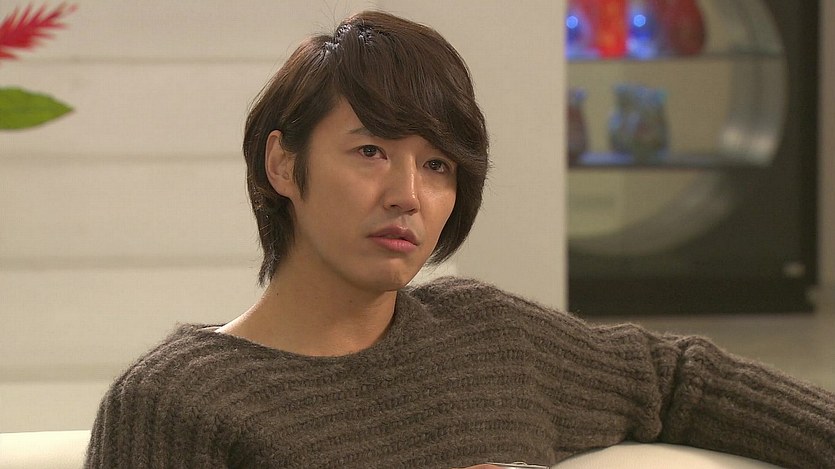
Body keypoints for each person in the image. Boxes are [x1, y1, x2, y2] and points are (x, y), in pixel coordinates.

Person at [84, 10, 835, 469]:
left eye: (437, 165)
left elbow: (674, 377)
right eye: (370, 151)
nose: (407, 195)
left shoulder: (489, 336)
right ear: (283, 163)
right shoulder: (176, 403)